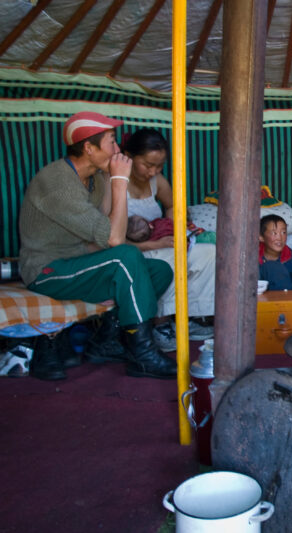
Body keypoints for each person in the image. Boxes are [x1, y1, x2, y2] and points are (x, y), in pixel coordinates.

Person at [18, 111, 177, 380]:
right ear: (89, 149)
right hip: (47, 270)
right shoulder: (57, 182)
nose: (118, 150)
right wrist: (119, 181)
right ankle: (143, 353)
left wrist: (109, 180)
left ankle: (107, 339)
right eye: (112, 143)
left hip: (80, 262)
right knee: (124, 255)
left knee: (160, 270)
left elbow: (106, 232)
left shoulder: (95, 179)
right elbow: (114, 239)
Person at [123, 128, 216, 350]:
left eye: (159, 165)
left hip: (162, 241)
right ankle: (160, 324)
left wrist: (174, 225)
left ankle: (191, 317)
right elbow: (108, 238)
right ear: (128, 156)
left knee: (209, 252)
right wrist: (154, 243)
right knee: (169, 257)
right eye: (147, 164)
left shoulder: (156, 180)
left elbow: (173, 205)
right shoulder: (114, 184)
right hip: (133, 250)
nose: (153, 170)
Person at [258, 214, 292, 290]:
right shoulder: (252, 259)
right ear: (261, 237)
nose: (280, 238)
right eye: (274, 233)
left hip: (287, 299)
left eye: (283, 232)